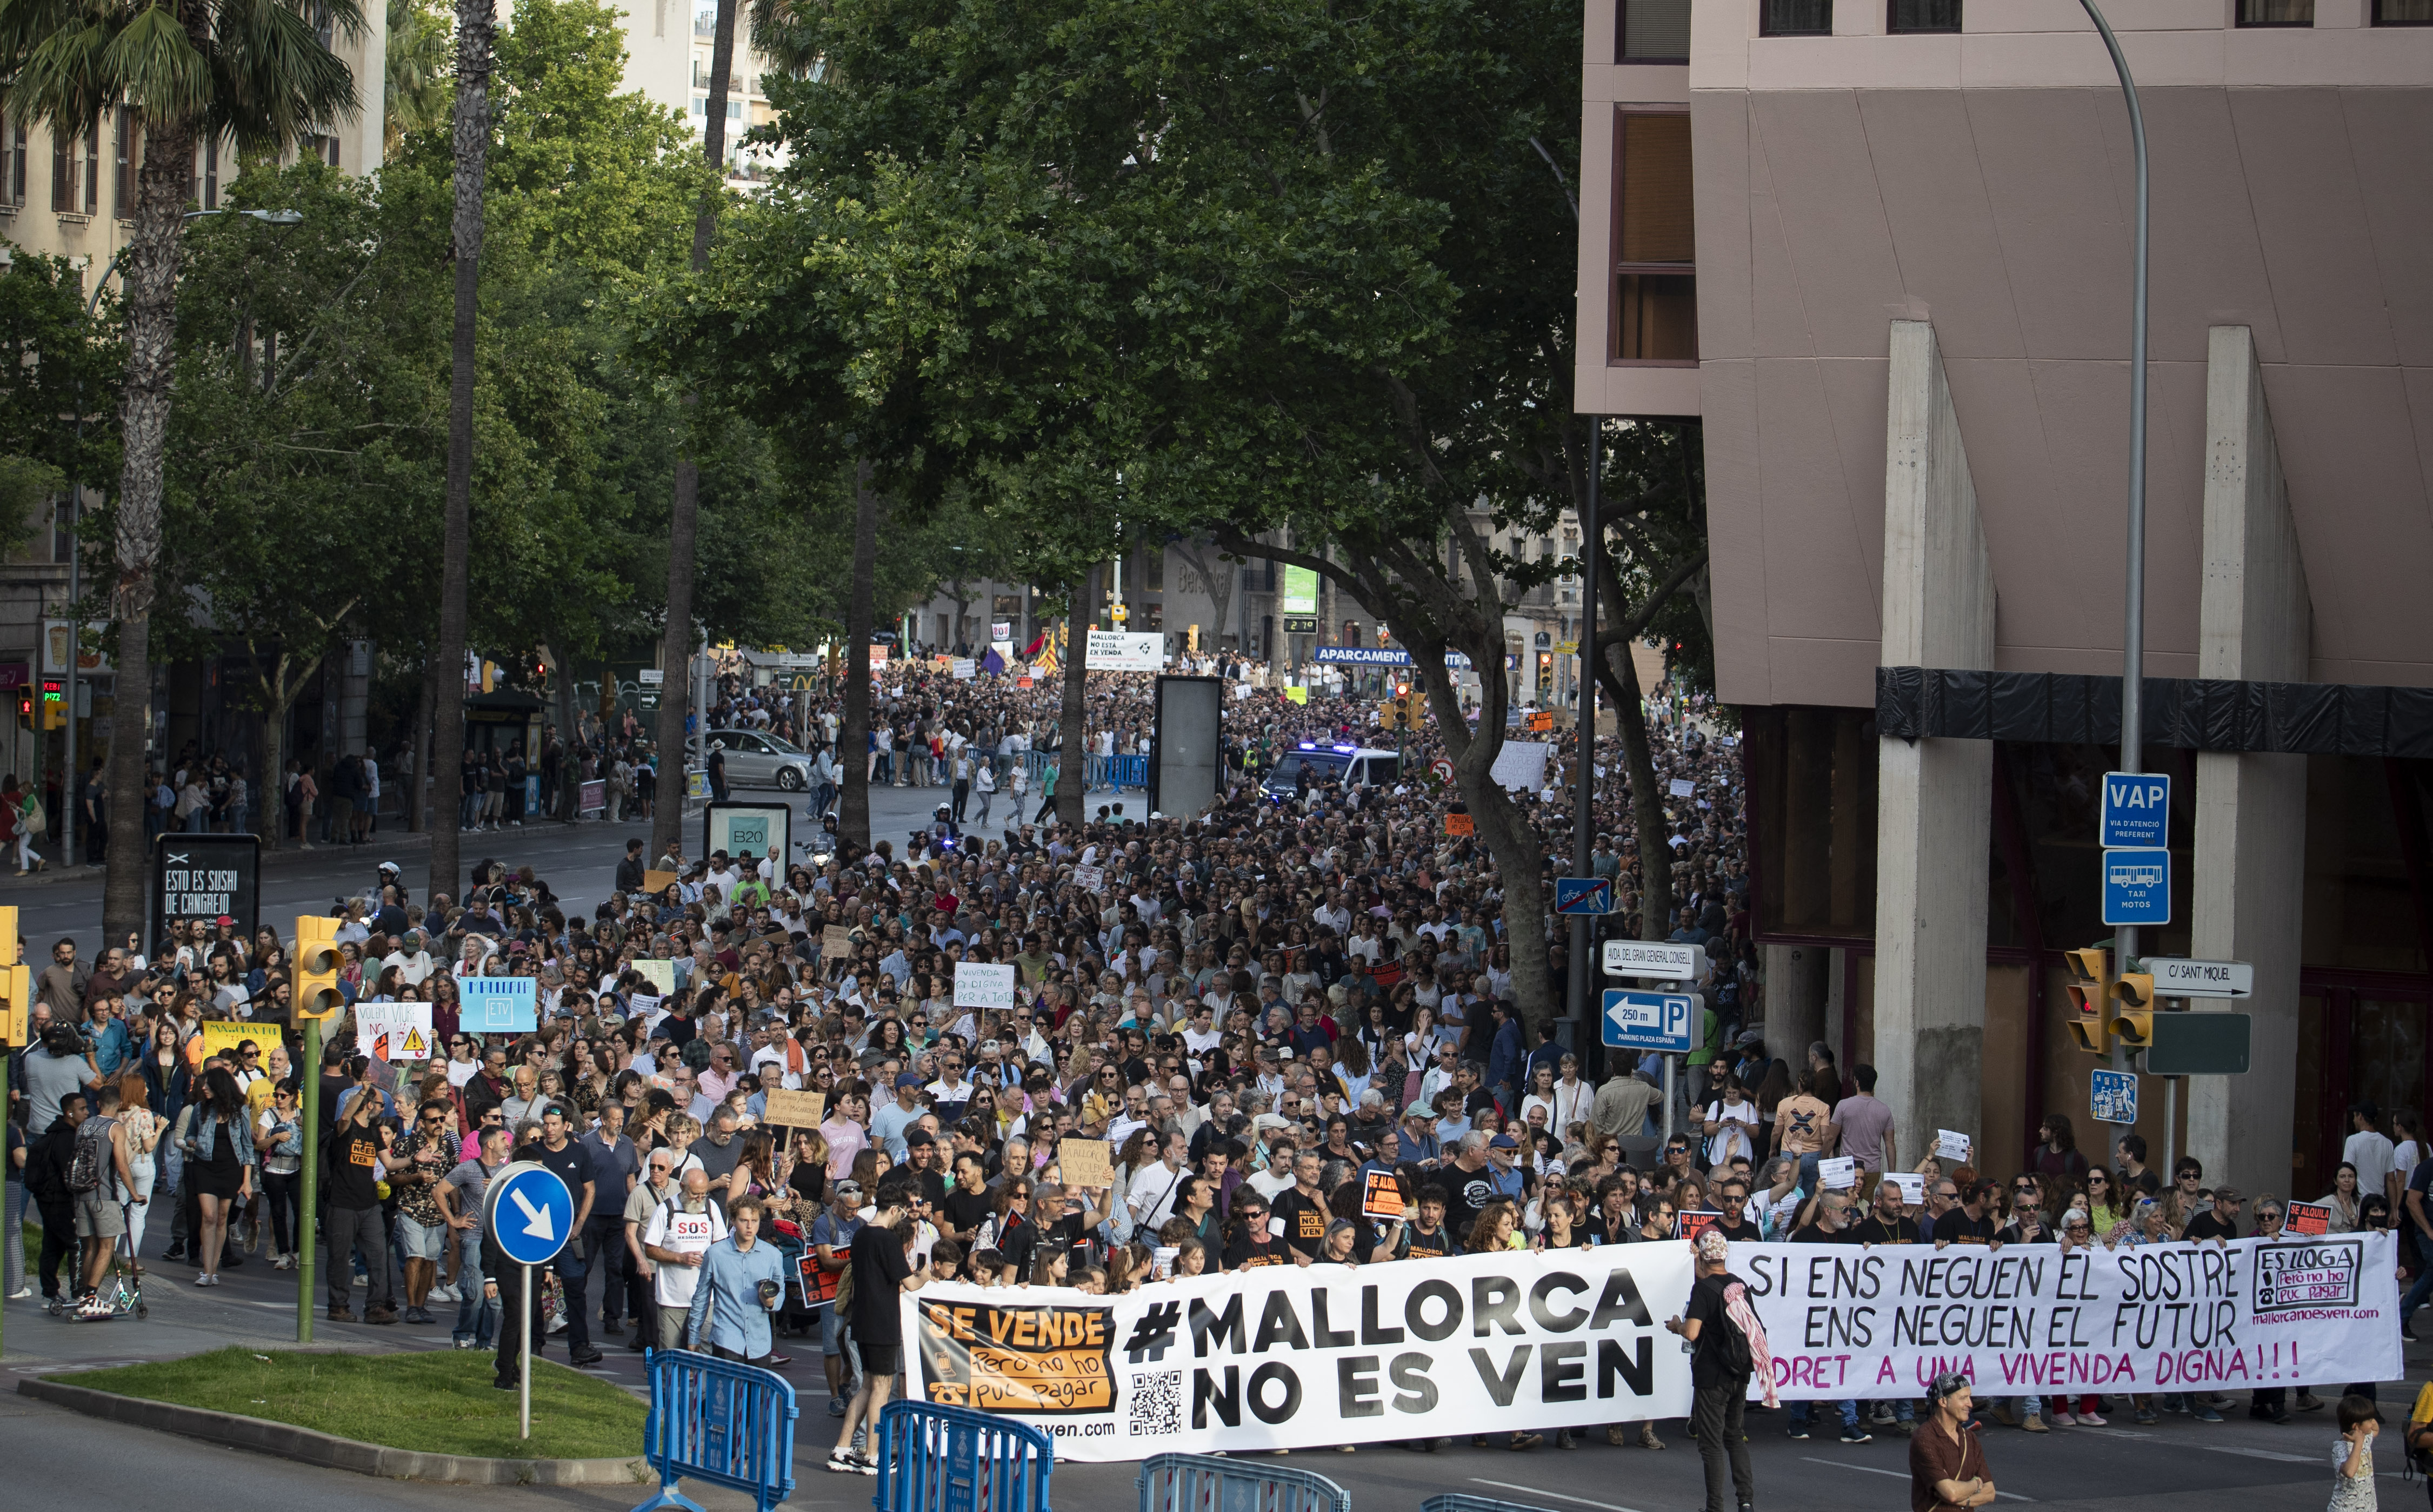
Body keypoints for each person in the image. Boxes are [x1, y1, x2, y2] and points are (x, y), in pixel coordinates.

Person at [831, 1173, 935, 1476]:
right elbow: (911, 1283)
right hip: (882, 1321)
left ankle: (841, 1448)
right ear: (894, 1210)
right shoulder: (887, 1239)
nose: (903, 1218)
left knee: (866, 1386)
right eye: (902, 1212)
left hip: (861, 1319)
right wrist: (926, 1274)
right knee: (881, 1387)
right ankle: (873, 1455)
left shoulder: (862, 1234)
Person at [1667, 1228, 1768, 1512]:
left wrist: (1677, 1325)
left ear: (1703, 1259)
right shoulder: (1738, 1285)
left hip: (1711, 1376)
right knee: (1735, 1436)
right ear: (1724, 1255)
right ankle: (1746, 1501)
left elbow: (1693, 1332)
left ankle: (1715, 1507)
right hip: (1739, 1373)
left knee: (1711, 1444)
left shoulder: (1702, 1290)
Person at [680, 1193, 789, 1365]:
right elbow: (701, 1297)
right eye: (743, 1220)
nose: (749, 1227)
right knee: (726, 1392)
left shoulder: (773, 1255)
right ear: (733, 1220)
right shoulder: (715, 1254)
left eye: (754, 1221)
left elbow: (781, 1292)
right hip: (726, 1340)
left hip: (760, 1342)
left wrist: (770, 1303)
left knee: (758, 1393)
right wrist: (693, 1337)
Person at [1911, 1371, 1998, 1511]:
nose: (1970, 1404)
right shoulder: (1924, 1439)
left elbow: (1990, 1493)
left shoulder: (1970, 1438)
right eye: (1963, 1398)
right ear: (1943, 1401)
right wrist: (1976, 1483)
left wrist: (1965, 1500)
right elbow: (1951, 1493)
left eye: (1969, 1397)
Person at [2330, 1394, 2380, 1512]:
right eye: (2369, 1420)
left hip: (2367, 1507)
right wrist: (2358, 1444)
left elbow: (2376, 1430)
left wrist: (2368, 1413)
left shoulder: (2365, 1438)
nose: (2372, 1423)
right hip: (2346, 1508)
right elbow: (2349, 1472)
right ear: (2356, 1427)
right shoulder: (2340, 1448)